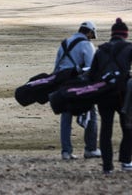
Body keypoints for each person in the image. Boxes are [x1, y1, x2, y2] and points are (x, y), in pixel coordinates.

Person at [89, 18, 132, 174]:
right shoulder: (129, 48)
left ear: (112, 34)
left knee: (106, 129)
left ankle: (107, 166)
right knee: (128, 127)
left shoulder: (101, 49)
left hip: (103, 93)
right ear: (125, 34)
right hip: (123, 93)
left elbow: (92, 75)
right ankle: (126, 161)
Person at [54, 21, 101, 160]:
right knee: (91, 114)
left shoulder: (64, 43)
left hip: (63, 83)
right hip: (79, 84)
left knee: (66, 116)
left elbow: (57, 67)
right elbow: (91, 69)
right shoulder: (87, 45)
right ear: (89, 32)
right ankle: (91, 149)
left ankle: (66, 151)